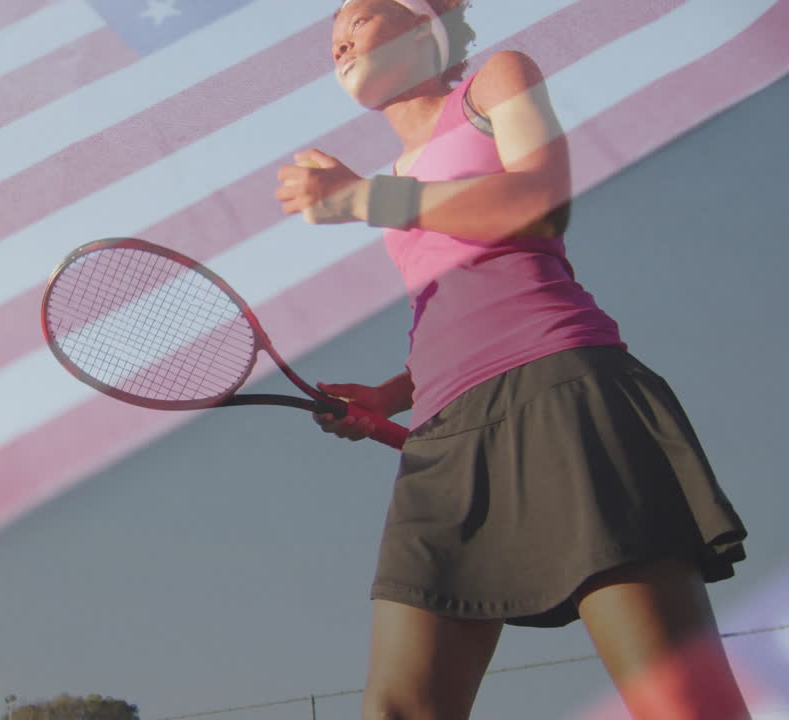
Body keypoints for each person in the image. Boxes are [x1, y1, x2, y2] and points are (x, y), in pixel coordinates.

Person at [273, 1, 751, 718]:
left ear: (424, 19)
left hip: (561, 395)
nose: (340, 38)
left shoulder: (496, 80)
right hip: (442, 440)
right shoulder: (403, 179)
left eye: (363, 15)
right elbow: (461, 298)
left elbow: (538, 203)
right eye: (332, 34)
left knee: (679, 704)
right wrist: (389, 394)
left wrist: (363, 197)